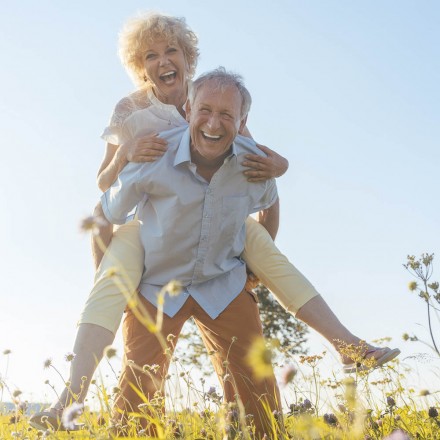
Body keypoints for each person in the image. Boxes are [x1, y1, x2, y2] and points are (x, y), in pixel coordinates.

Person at [29, 12, 399, 432]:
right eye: (151, 55)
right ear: (141, 68)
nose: (163, 60)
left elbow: (259, 165)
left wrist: (279, 173)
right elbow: (103, 193)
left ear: (189, 59)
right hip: (155, 247)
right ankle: (70, 398)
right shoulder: (135, 116)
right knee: (134, 383)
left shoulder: (216, 104)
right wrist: (125, 153)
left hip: (219, 263)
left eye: (172, 51)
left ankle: (345, 343)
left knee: (264, 262)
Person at [107, 68, 282, 437]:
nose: (213, 124)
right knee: (138, 391)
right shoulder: (153, 153)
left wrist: (255, 269)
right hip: (157, 284)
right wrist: (115, 288)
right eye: (205, 110)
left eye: (226, 115)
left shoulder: (253, 163)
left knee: (256, 388)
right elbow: (107, 212)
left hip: (222, 281)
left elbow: (270, 200)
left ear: (242, 121)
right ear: (188, 109)